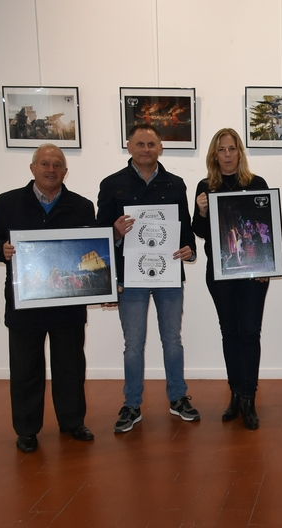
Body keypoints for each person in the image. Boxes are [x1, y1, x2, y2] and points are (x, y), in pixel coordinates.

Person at [0, 144, 96, 453]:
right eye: (45, 163)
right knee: (25, 370)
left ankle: (72, 422)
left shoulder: (82, 206)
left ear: (65, 172)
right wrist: (0, 250)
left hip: (67, 304)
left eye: (57, 164)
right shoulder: (8, 202)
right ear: (33, 168)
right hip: (25, 303)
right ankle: (27, 430)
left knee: (70, 367)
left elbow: (90, 249)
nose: (51, 169)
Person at [97, 123, 199, 433]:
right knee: (133, 344)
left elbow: (186, 227)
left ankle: (178, 397)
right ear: (129, 146)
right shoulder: (111, 184)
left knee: (172, 340)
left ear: (160, 148)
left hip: (168, 273)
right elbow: (100, 233)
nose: (145, 149)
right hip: (130, 276)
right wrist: (114, 233)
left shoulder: (175, 183)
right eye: (140, 144)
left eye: (151, 144)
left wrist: (189, 251)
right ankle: (131, 404)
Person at [192, 128, 270, 429]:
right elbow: (198, 231)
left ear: (240, 152)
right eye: (221, 149)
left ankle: (249, 397)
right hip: (220, 271)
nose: (227, 155)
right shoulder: (204, 186)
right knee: (230, 332)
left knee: (250, 332)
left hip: (252, 271)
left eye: (232, 149)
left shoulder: (256, 184)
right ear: (214, 154)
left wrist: (266, 267)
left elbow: (266, 230)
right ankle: (235, 394)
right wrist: (200, 212)